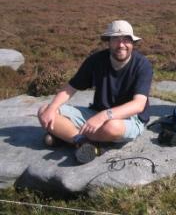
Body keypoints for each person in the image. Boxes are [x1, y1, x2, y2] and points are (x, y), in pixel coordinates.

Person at [38, 20, 153, 163]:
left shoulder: (142, 65)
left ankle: (66, 136)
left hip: (129, 118)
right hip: (97, 112)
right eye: (116, 39)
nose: (121, 44)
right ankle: (83, 142)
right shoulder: (96, 60)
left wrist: (104, 116)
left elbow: (138, 105)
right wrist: (53, 107)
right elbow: (70, 88)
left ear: (132, 43)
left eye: (126, 40)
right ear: (108, 42)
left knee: (112, 127)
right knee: (44, 111)